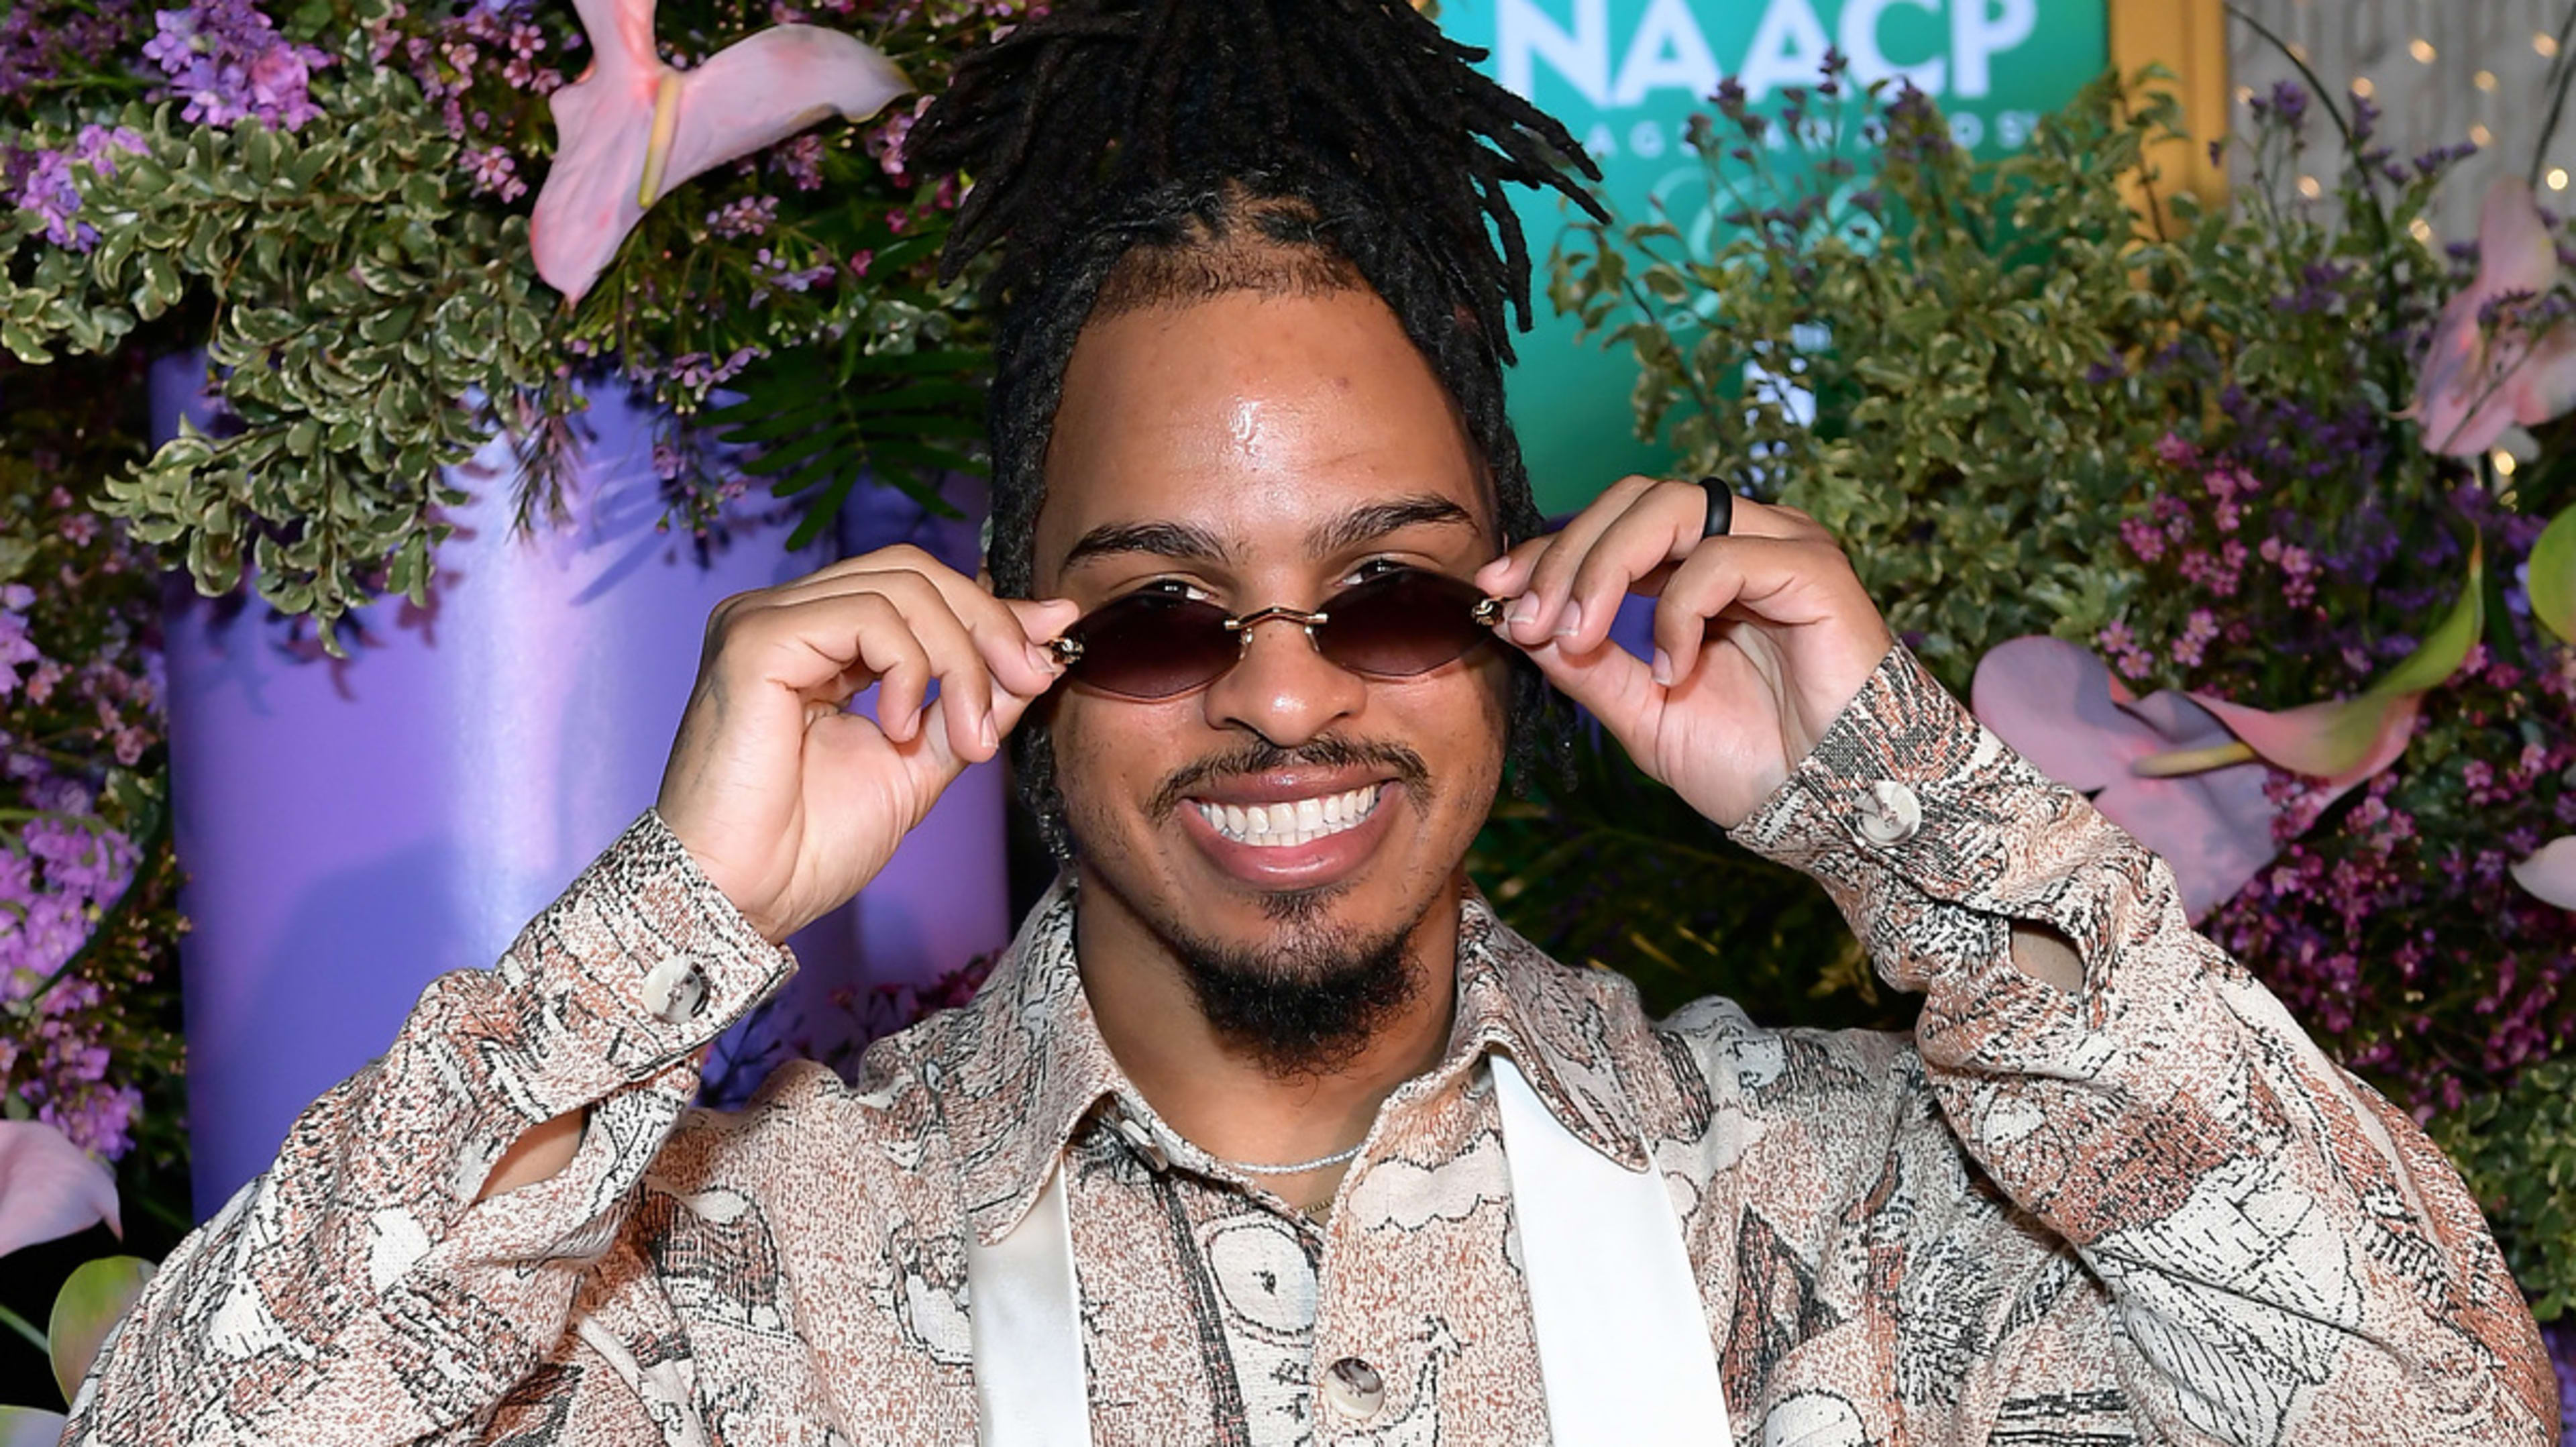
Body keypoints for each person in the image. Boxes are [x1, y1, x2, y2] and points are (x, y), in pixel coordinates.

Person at [64, 1, 2555, 1442]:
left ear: (1533, 604)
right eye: (1159, 617)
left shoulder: (1845, 1211)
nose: (1280, 690)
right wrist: (674, 919)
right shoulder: (754, 1288)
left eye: (1384, 590)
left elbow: (2434, 1413)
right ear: (1007, 653)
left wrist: (1929, 825)